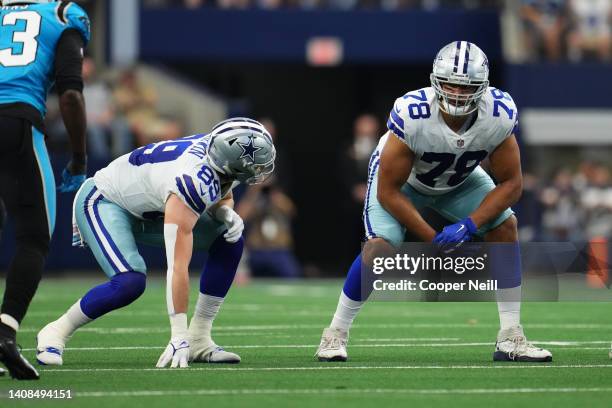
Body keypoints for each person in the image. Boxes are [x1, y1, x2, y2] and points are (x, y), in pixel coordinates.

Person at [315, 41, 552, 363]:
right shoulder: (412, 114)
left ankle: (510, 336)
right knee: (381, 247)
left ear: (482, 88)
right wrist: (432, 241)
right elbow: (389, 191)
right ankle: (335, 333)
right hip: (404, 182)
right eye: (450, 84)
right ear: (435, 82)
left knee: (505, 228)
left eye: (466, 86)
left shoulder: (498, 113)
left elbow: (512, 184)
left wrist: (470, 225)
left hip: (459, 179)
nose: (456, 93)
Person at [36, 118, 276, 368]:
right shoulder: (191, 179)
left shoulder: (220, 152)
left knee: (229, 240)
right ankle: (56, 331)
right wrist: (177, 335)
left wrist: (224, 212)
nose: (260, 170)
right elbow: (177, 265)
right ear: (231, 161)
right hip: (106, 201)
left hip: (150, 207)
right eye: (255, 165)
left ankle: (199, 339)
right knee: (129, 282)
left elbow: (222, 189)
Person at [0, 0, 90, 379]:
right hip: (18, 122)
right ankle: (4, 334)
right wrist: (80, 156)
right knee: (35, 237)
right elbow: (70, 94)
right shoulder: (62, 13)